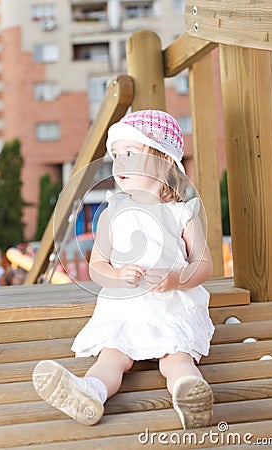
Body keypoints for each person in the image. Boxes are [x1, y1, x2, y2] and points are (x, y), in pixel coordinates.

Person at [32, 110, 215, 429]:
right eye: (116, 156)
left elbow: (204, 265)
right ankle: (90, 392)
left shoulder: (182, 214)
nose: (118, 164)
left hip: (172, 307)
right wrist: (116, 275)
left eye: (130, 153)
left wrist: (176, 279)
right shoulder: (111, 212)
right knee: (112, 356)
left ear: (165, 161)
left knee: (176, 359)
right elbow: (98, 268)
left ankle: (189, 392)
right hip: (126, 309)